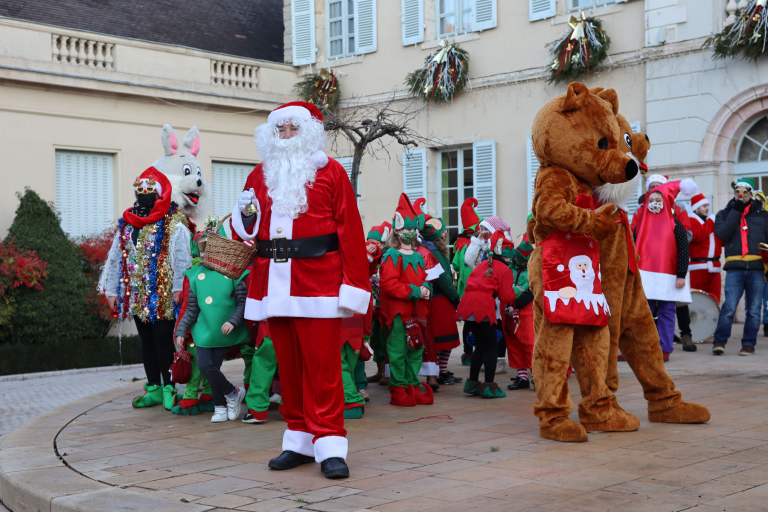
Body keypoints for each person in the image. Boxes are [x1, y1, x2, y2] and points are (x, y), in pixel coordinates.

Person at [231, 101, 370, 479]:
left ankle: (330, 443)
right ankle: (298, 439)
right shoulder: (260, 174)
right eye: (281, 130)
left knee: (323, 369)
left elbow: (351, 232)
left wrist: (353, 286)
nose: (287, 135)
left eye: (293, 128)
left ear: (308, 132)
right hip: (274, 285)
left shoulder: (332, 172)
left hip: (319, 285)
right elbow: (247, 231)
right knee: (288, 368)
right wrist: (244, 216)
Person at [100, 169, 191, 409]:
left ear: (159, 193)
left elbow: (182, 257)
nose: (144, 194)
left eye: (150, 190)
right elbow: (116, 258)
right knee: (147, 341)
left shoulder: (173, 221)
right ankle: (153, 388)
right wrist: (112, 291)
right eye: (140, 190)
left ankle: (170, 387)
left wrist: (179, 287)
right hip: (137, 295)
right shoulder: (128, 223)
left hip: (163, 294)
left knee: (163, 340)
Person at [174, 242, 249, 422]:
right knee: (205, 366)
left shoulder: (234, 272)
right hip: (203, 331)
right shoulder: (195, 275)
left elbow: (243, 303)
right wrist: (181, 330)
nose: (205, 255)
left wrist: (233, 321)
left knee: (212, 367)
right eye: (202, 251)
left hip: (224, 330)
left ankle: (220, 406)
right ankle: (232, 393)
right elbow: (192, 309)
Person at [379, 193, 434, 407]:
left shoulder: (419, 256)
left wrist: (427, 288)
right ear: (397, 231)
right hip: (399, 314)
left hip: (418, 313)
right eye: (405, 230)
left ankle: (412, 384)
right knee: (398, 350)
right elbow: (388, 285)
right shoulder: (392, 256)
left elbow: (424, 278)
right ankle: (399, 388)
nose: (409, 233)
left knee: (416, 349)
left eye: (412, 229)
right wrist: (416, 291)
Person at [634, 181, 695, 361]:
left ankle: (664, 349)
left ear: (666, 202)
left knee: (667, 313)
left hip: (669, 276)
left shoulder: (675, 224)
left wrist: (681, 275)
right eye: (651, 200)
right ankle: (642, 348)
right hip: (645, 276)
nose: (654, 203)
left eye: (658, 200)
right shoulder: (640, 224)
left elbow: (683, 250)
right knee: (643, 314)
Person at [457, 231, 516, 398]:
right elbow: (505, 297)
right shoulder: (504, 269)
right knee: (491, 347)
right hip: (482, 306)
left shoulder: (483, 264)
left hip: (468, 304)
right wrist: (517, 292)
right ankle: (489, 387)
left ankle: (472, 383)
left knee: (480, 346)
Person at [712, 181, 768, 356]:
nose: (741, 195)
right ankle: (719, 341)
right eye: (738, 191)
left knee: (754, 310)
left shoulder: (763, 215)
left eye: (745, 192)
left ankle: (748, 344)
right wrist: (735, 211)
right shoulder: (724, 213)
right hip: (734, 267)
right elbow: (721, 234)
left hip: (757, 268)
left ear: (751, 194)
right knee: (729, 307)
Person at [414, 203, 462, 385]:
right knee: (444, 340)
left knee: (438, 340)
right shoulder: (434, 251)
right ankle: (440, 372)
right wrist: (455, 298)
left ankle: (439, 372)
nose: (445, 234)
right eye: (443, 231)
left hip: (433, 299)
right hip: (440, 300)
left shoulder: (425, 249)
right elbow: (444, 279)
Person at [172, 230, 215, 416]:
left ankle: (190, 399)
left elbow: (187, 304)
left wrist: (182, 329)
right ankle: (208, 395)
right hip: (206, 326)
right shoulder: (197, 272)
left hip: (197, 327)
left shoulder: (193, 273)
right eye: (203, 247)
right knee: (205, 363)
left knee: (196, 364)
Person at [687, 193, 723, 351]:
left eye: (707, 205)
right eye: (704, 206)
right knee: (699, 299)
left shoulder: (710, 221)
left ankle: (712, 328)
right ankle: (696, 329)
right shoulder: (692, 220)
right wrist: (711, 222)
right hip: (698, 265)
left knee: (715, 299)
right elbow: (697, 236)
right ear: (696, 208)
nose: (707, 208)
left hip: (714, 265)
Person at [452, 197, 483, 365]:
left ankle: (468, 353)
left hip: (465, 292)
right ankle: (475, 353)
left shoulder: (460, 245)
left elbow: (456, 266)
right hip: (476, 291)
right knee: (478, 324)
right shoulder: (473, 246)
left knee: (468, 324)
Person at [505, 231, 535, 390]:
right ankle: (522, 376)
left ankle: (536, 376)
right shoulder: (511, 268)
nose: (516, 260)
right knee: (513, 344)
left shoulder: (534, 269)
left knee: (529, 343)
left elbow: (534, 290)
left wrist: (518, 303)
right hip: (510, 309)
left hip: (527, 310)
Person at [364, 223, 390, 385]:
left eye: (377, 243)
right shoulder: (368, 259)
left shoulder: (388, 259)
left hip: (385, 305)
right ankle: (379, 371)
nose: (373, 246)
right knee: (375, 340)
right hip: (371, 306)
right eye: (370, 242)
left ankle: (387, 372)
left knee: (385, 338)